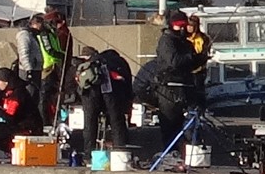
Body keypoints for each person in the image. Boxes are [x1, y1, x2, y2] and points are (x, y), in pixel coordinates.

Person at [136, 10, 203, 152]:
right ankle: (170, 155)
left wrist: (200, 58)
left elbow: (190, 65)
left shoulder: (186, 43)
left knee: (183, 127)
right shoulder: (167, 40)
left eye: (185, 25)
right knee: (169, 127)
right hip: (168, 90)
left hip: (185, 89)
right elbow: (174, 62)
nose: (183, 29)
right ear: (172, 26)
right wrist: (192, 58)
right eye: (180, 26)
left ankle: (181, 156)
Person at [76, 45, 132, 150]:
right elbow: (127, 85)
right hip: (111, 93)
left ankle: (88, 154)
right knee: (116, 121)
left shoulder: (84, 65)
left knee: (90, 123)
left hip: (89, 94)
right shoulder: (117, 62)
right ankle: (120, 150)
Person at [0, 66, 42, 155]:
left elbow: (10, 118)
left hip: (27, 128)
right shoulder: (10, 92)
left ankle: (14, 150)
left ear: (5, 82)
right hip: (18, 124)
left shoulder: (18, 94)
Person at [16, 14, 47, 102]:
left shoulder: (31, 35)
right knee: (30, 95)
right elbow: (23, 53)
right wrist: (28, 70)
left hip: (35, 69)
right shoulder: (24, 36)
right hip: (29, 71)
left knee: (35, 96)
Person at [185, 15, 210, 107]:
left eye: (192, 26)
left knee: (199, 92)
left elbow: (205, 52)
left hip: (199, 70)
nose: (189, 28)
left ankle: (201, 111)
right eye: (188, 25)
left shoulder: (203, 38)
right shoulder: (183, 37)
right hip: (186, 70)